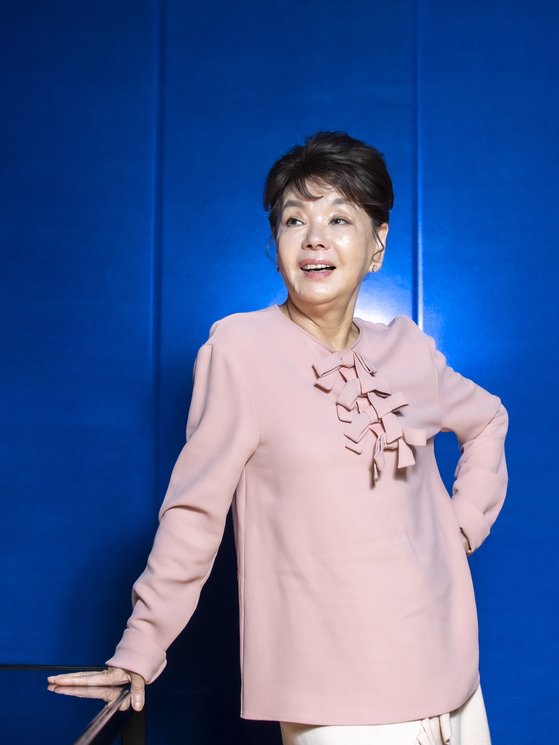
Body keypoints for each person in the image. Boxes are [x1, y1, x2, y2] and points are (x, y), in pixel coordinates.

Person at [48, 131, 508, 744]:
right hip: (337, 697)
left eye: (339, 218)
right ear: (277, 243)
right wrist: (139, 650)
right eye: (295, 220)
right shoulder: (240, 351)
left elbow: (488, 419)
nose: (315, 238)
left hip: (453, 677)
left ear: (377, 245)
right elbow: (194, 514)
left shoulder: (409, 350)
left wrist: (461, 527)